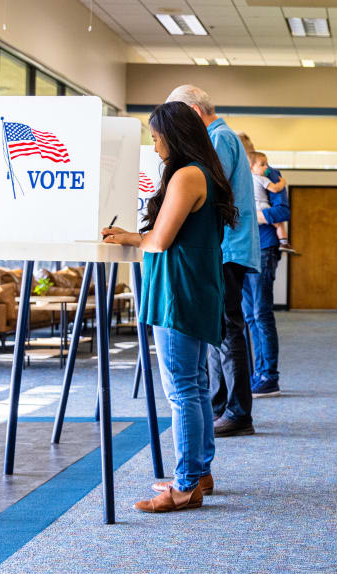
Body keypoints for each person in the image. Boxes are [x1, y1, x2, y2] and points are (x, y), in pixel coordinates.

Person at [103, 101, 238, 513]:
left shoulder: (186, 175)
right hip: (195, 286)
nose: (154, 144)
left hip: (179, 291)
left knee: (182, 390)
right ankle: (198, 474)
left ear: (175, 135)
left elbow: (159, 242)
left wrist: (125, 237)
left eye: (157, 136)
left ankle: (184, 485)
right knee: (194, 386)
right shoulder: (205, 174)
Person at [166, 85, 259, 437]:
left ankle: (235, 410)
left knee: (226, 329)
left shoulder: (217, 140)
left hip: (225, 248)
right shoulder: (223, 138)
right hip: (226, 247)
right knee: (220, 329)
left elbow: (204, 192)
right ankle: (223, 405)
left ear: (193, 110)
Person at [244, 138, 290, 398]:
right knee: (249, 315)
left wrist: (253, 217)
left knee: (261, 313)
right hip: (240, 250)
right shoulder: (236, 175)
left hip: (264, 247)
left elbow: (282, 212)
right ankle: (257, 373)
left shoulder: (269, 174)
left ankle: (268, 376)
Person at [250, 150, 297, 254]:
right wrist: (283, 182)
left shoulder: (247, 179)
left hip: (253, 207)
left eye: (266, 164)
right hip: (262, 207)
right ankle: (284, 242)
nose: (266, 167)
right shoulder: (262, 178)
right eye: (262, 165)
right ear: (252, 167)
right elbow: (275, 189)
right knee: (279, 224)